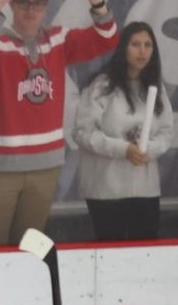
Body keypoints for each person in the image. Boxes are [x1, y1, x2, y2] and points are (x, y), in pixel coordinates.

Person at [0, 0, 118, 246]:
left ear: (46, 7)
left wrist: (96, 0)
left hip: (44, 166)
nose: (30, 10)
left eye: (37, 4)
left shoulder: (58, 40)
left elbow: (107, 40)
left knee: (31, 247)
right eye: (23, 3)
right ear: (12, 5)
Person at [73, 21, 173, 241]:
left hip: (145, 189)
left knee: (145, 251)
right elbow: (82, 132)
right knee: (111, 251)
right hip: (106, 189)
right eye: (135, 44)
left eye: (147, 45)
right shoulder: (101, 86)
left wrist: (149, 149)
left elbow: (167, 132)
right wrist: (124, 149)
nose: (142, 51)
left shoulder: (156, 88)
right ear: (123, 49)